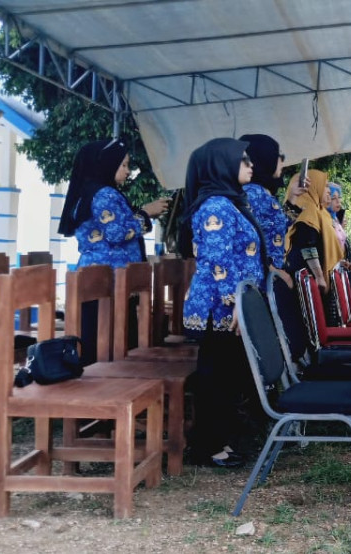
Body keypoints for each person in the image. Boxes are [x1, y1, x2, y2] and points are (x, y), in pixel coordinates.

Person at [181, 137, 265, 468]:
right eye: (243, 159)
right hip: (219, 309)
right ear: (222, 166)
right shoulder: (216, 206)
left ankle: (216, 440)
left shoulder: (228, 203)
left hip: (228, 307)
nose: (250, 164)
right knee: (215, 376)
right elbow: (219, 263)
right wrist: (235, 305)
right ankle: (206, 447)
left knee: (224, 375)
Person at [57, 139, 169, 364]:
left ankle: (98, 390)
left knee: (99, 343)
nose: (128, 171)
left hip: (103, 279)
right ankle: (107, 390)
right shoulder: (104, 194)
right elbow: (117, 233)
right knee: (107, 345)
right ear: (106, 164)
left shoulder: (95, 191)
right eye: (123, 165)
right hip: (107, 281)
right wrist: (146, 213)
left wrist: (142, 215)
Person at [286, 168, 345, 324]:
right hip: (309, 279)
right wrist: (319, 276)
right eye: (324, 186)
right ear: (314, 187)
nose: (328, 190)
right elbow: (307, 245)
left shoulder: (318, 211)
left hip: (314, 278)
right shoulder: (308, 209)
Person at [237, 134, 291, 277]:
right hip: (257, 281)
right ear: (265, 157)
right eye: (278, 155)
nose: (282, 161)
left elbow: (272, 229)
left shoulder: (262, 193)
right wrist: (272, 269)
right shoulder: (252, 194)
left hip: (266, 279)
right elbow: (242, 241)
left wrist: (293, 200)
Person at [326, 181, 351, 263]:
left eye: (339, 197)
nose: (338, 201)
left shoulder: (335, 218)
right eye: (333, 198)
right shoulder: (323, 220)